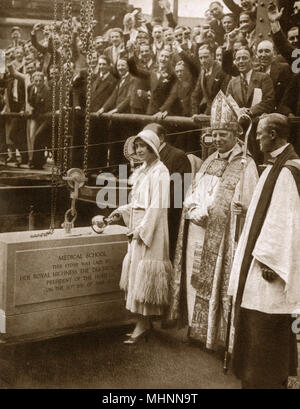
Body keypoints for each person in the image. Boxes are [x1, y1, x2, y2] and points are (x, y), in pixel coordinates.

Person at [167, 90, 258, 349]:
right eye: (214, 134)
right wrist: (194, 209)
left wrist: (235, 210)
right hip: (197, 230)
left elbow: (248, 204)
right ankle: (197, 330)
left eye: (223, 134)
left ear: (235, 134)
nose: (217, 139)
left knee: (217, 281)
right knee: (194, 278)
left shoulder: (245, 164)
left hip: (222, 237)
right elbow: (192, 193)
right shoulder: (207, 162)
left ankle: (215, 336)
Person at [228, 113, 300, 389]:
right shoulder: (273, 167)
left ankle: (265, 381)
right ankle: (255, 378)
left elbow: (286, 221)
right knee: (256, 321)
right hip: (259, 258)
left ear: (274, 134)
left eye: (260, 133)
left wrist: (271, 260)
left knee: (266, 323)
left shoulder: (288, 170)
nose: (256, 138)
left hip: (268, 266)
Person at [99, 129, 173, 343]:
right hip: (138, 224)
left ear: (153, 148)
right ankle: (143, 322)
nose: (139, 150)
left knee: (144, 274)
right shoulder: (143, 171)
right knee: (135, 272)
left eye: (144, 146)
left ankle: (143, 324)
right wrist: (119, 213)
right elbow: (137, 203)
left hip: (152, 229)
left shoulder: (161, 171)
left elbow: (157, 206)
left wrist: (141, 230)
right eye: (137, 146)